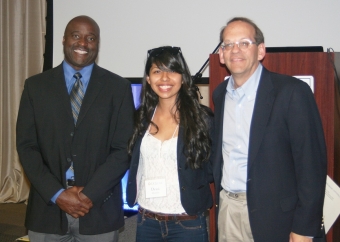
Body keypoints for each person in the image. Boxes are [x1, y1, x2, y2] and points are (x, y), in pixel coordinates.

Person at [16, 15, 134, 241]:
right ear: (63, 39)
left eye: (91, 38)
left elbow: (123, 149)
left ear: (97, 44)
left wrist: (89, 194)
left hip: (99, 209)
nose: (83, 43)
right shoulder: (35, 87)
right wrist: (57, 194)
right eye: (76, 36)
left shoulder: (118, 88)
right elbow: (27, 147)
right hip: (47, 209)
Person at [211, 17, 327, 242]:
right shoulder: (220, 94)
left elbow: (311, 166)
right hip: (229, 212)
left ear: (261, 50)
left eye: (244, 43)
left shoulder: (292, 93)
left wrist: (304, 227)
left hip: (277, 218)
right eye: (228, 44)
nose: (235, 50)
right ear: (222, 55)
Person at [126, 46, 213, 241]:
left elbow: (211, 169)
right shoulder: (139, 118)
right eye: (157, 71)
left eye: (172, 70)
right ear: (148, 79)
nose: (164, 78)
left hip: (187, 223)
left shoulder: (202, 119)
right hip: (146, 221)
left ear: (183, 77)